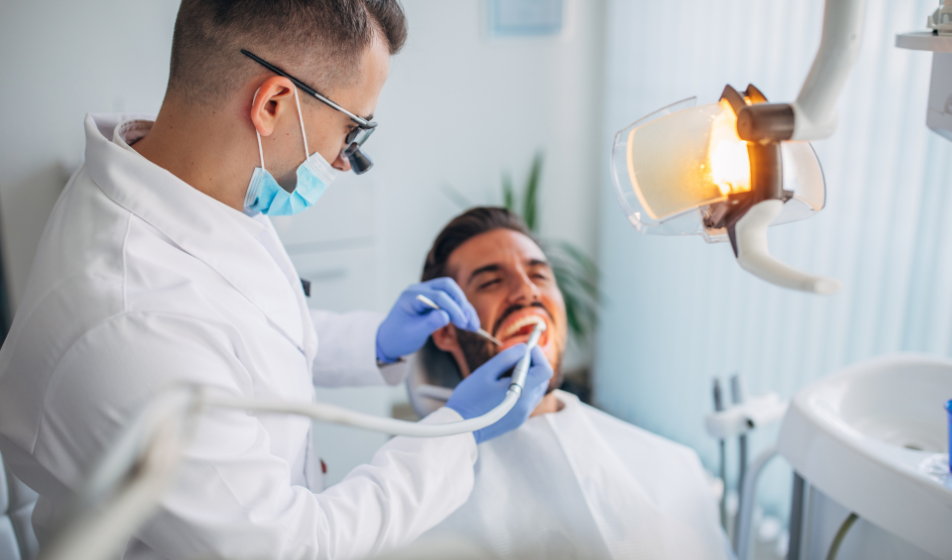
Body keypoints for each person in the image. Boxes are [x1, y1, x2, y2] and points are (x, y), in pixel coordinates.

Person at [0, 3, 552, 560]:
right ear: (272, 104)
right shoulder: (129, 320)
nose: (343, 161)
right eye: (353, 130)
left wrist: (375, 342)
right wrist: (456, 433)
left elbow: (243, 342)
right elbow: (292, 546)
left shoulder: (188, 182)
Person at [406, 207, 730, 560]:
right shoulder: (418, 516)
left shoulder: (674, 469)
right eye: (491, 282)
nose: (527, 291)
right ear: (446, 331)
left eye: (540, 276)